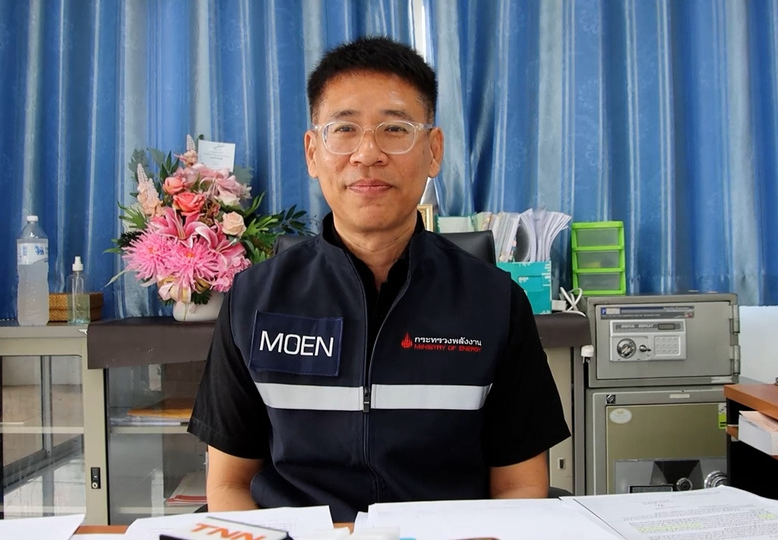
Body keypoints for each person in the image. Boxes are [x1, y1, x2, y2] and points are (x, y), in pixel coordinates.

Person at [188, 35, 570, 523]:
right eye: (344, 129)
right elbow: (229, 484)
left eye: (394, 129)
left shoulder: (496, 303)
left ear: (433, 151)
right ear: (312, 152)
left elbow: (520, 486)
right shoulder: (254, 299)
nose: (367, 154)